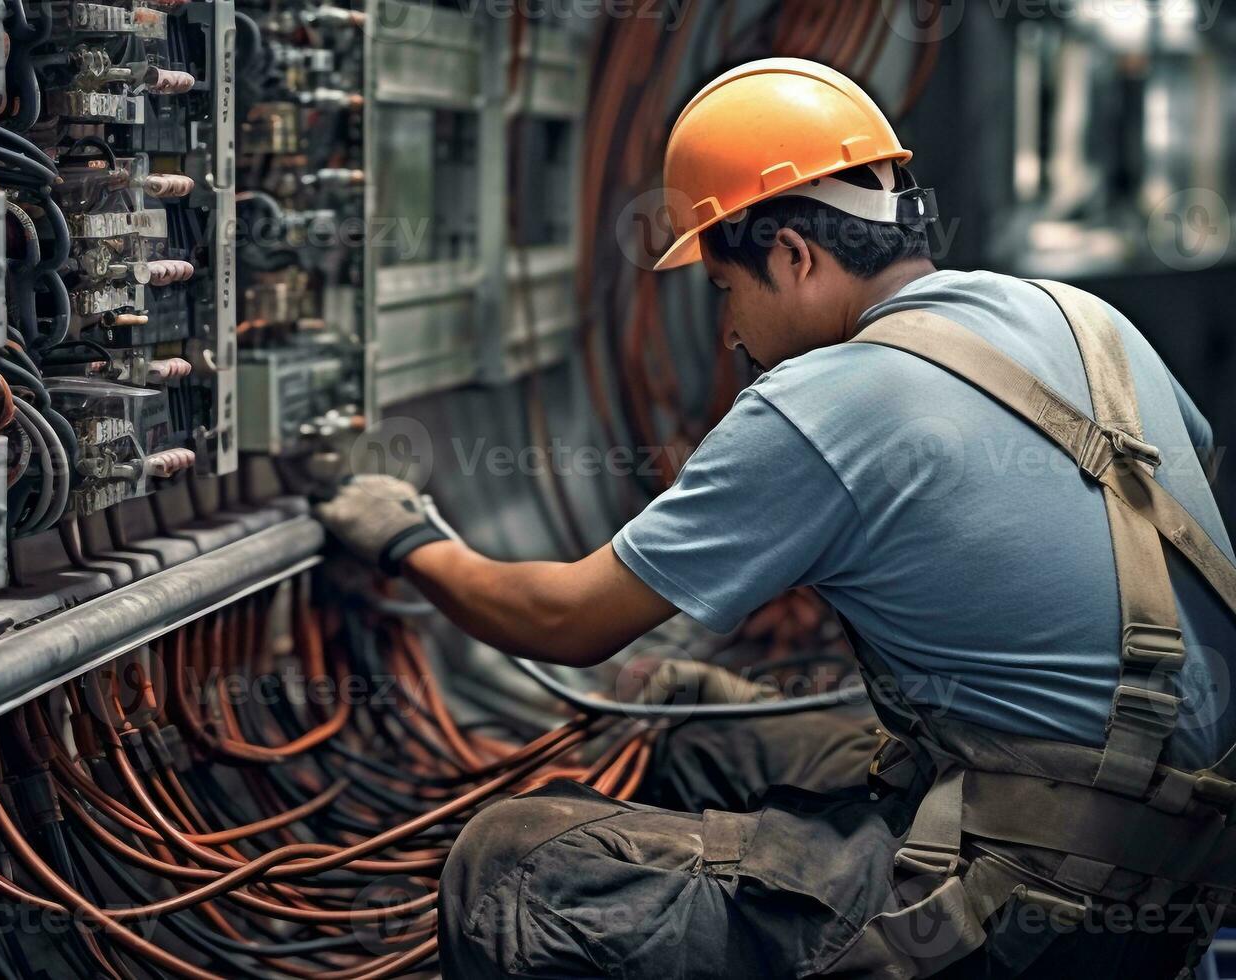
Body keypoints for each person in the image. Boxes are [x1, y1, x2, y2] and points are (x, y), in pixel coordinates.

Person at [316, 58, 1236, 978]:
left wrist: (410, 540)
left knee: (512, 864)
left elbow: (566, 620)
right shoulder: (1082, 319)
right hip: (1181, 870)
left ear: (794, 255)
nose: (729, 336)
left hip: (1029, 917)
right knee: (697, 731)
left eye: (727, 292)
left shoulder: (827, 399)